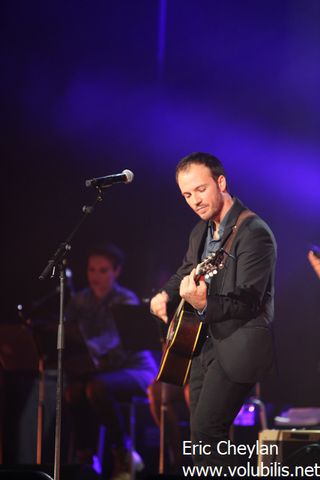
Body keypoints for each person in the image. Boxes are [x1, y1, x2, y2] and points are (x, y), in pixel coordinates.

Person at [150, 152, 277, 469]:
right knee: (200, 434)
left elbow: (248, 302)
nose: (194, 200)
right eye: (186, 194)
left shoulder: (254, 233)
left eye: (200, 189)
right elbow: (186, 270)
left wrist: (204, 303)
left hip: (239, 345)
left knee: (207, 431)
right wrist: (164, 294)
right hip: (203, 345)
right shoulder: (201, 231)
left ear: (221, 182)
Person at [64, 243, 157, 480]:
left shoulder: (126, 299)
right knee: (72, 391)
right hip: (98, 371)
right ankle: (86, 456)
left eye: (103, 270)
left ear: (116, 272)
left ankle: (124, 453)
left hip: (135, 369)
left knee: (97, 387)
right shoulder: (80, 300)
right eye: (91, 270)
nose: (96, 276)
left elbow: (113, 348)